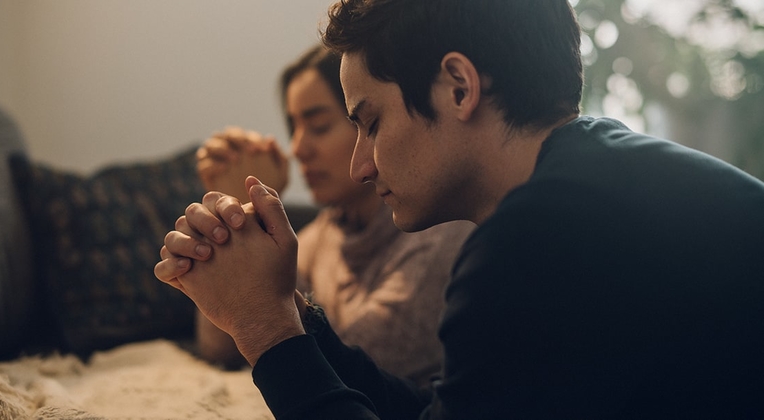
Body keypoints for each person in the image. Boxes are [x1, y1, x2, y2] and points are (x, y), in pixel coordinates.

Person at [155, 0, 764, 418]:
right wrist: (288, 309)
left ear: (458, 87)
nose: (359, 166)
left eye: (369, 122)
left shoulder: (537, 238)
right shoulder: (589, 182)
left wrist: (267, 332)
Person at [191, 45, 474, 384]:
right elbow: (218, 346)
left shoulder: (441, 229)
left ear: (365, 123)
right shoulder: (319, 236)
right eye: (293, 127)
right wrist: (238, 218)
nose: (297, 148)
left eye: (320, 126)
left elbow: (365, 359)